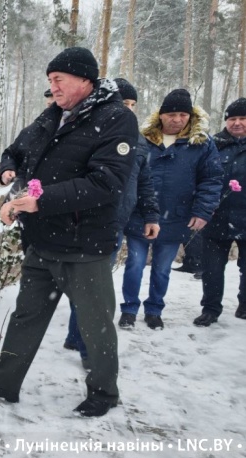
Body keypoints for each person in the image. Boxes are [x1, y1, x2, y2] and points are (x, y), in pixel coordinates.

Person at [0, 47, 137, 417]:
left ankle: (104, 393)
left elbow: (106, 182)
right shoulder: (52, 115)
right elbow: (17, 150)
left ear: (84, 79)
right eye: (50, 81)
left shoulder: (116, 118)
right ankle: (3, 382)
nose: (53, 87)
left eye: (58, 79)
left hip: (84, 245)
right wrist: (9, 170)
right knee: (25, 317)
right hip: (43, 241)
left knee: (95, 325)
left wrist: (40, 201)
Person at [63, 78, 160, 369]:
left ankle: (77, 338)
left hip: (116, 221)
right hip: (86, 219)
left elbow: (145, 182)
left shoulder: (139, 140)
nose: (127, 109)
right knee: (89, 285)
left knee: (94, 284)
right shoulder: (89, 130)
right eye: (122, 103)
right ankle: (85, 346)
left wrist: (152, 215)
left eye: (132, 104)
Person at [119, 89, 223, 330]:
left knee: (162, 269)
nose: (177, 120)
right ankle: (129, 309)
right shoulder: (143, 139)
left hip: (176, 217)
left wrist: (202, 211)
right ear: (161, 115)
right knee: (134, 265)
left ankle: (154, 310)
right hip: (140, 215)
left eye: (183, 115)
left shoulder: (202, 144)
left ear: (190, 116)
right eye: (171, 114)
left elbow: (211, 180)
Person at [193, 98, 246, 326]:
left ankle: (245, 305)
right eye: (232, 119)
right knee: (212, 269)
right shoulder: (213, 145)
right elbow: (201, 177)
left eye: (243, 118)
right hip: (217, 218)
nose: (237, 123)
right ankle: (210, 308)